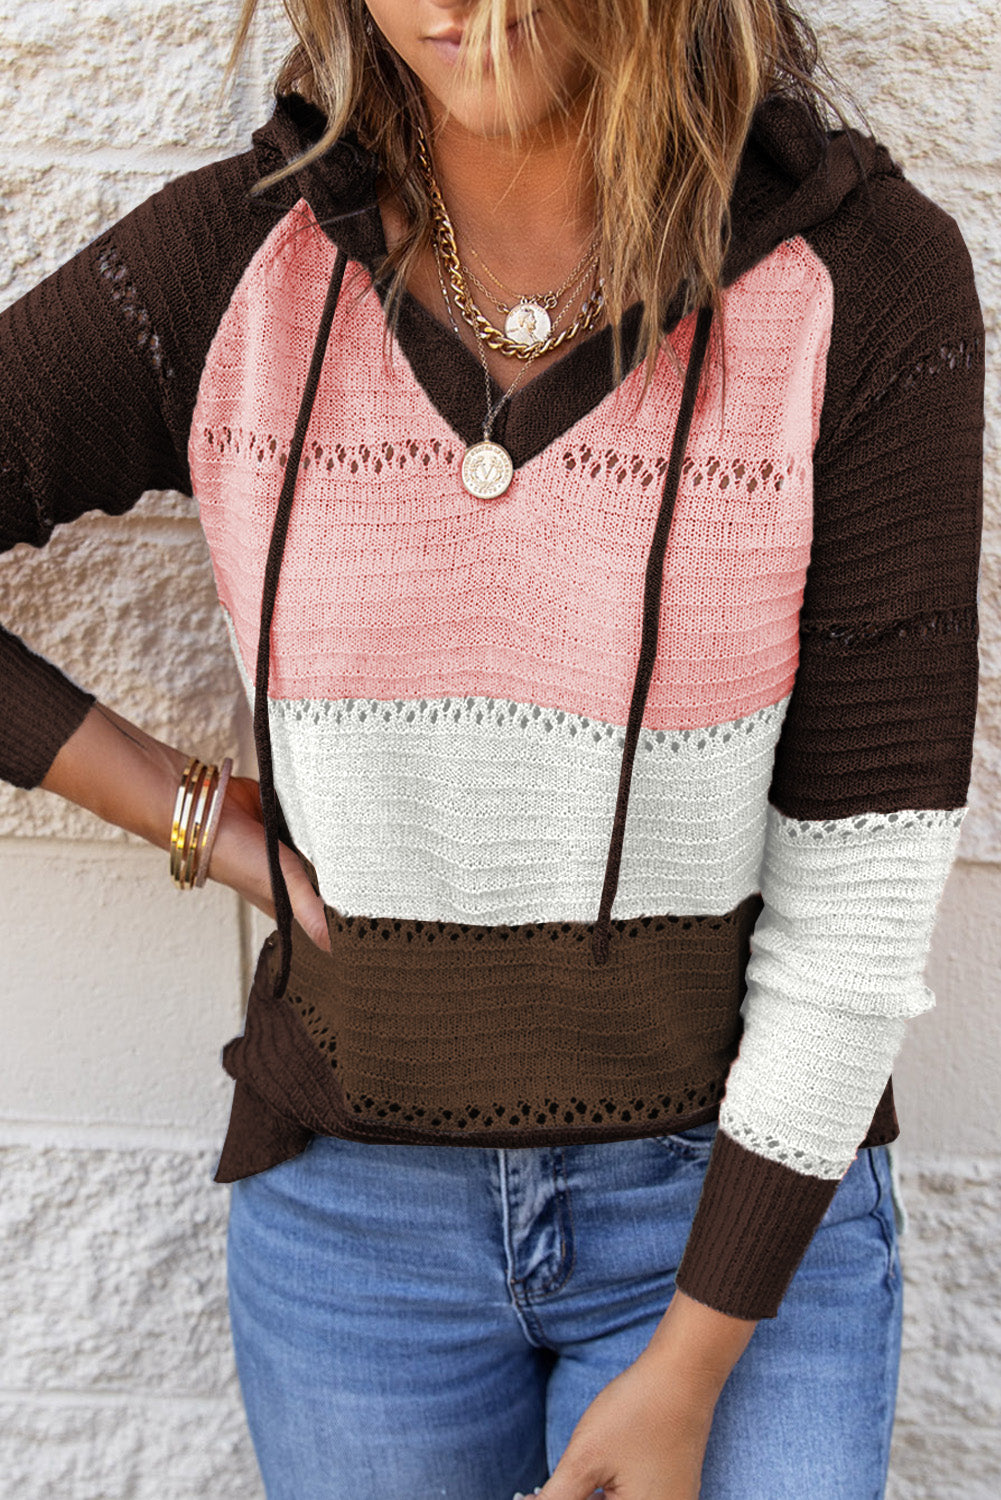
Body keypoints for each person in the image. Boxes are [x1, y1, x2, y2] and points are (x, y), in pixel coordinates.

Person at [0, 1, 984, 1497]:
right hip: (351, 1235)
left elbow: (858, 884)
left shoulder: (860, 281)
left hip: (733, 1216)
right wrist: (192, 811)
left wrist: (689, 1363)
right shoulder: (237, 266)